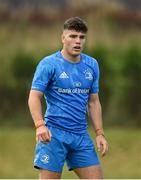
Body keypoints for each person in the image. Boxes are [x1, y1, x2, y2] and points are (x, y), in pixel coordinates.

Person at [28, 17, 108, 179]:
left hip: (80, 136)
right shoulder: (49, 64)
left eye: (81, 37)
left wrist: (100, 133)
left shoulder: (92, 65)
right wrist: (40, 125)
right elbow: (34, 96)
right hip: (53, 135)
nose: (77, 41)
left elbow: (93, 102)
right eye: (72, 36)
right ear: (63, 38)